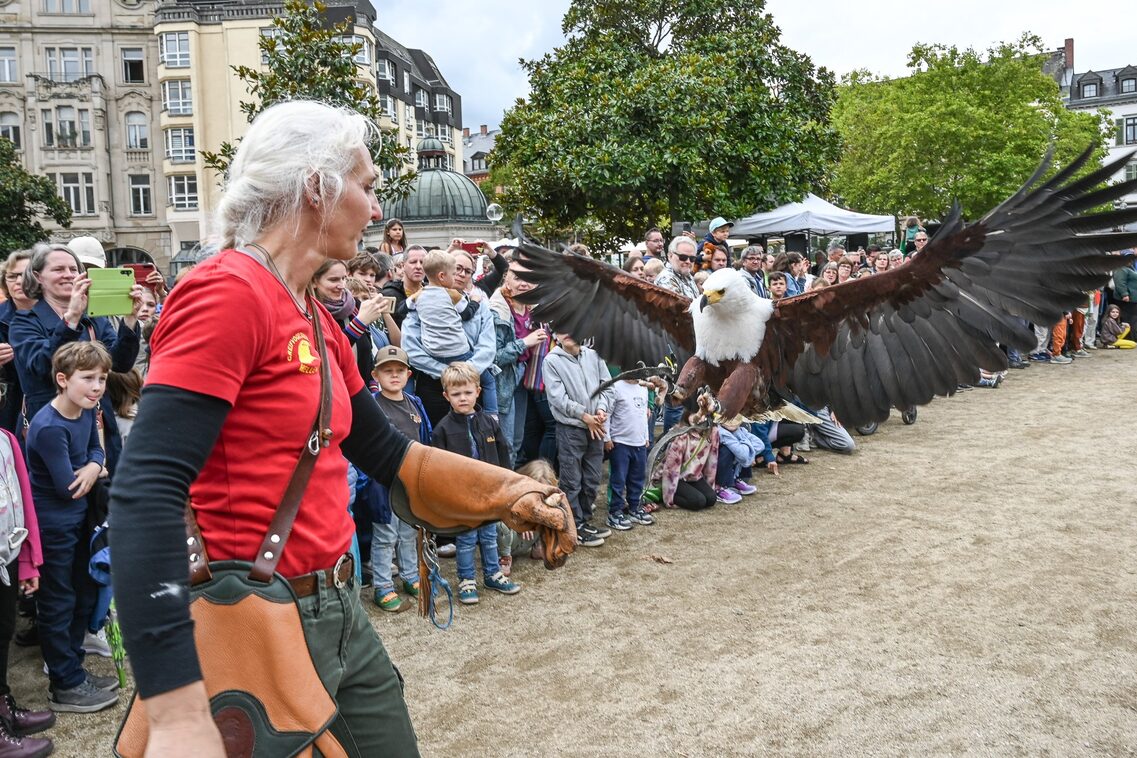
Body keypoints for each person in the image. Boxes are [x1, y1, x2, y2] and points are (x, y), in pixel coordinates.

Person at [107, 100, 573, 757]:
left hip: (335, 607)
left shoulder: (310, 311)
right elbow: (145, 490)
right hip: (252, 620)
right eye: (368, 185)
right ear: (316, 187)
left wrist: (507, 494)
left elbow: (384, 452)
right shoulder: (227, 292)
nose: (377, 210)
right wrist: (177, 713)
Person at [25, 342, 116, 713]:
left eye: (103, 379)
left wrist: (94, 467)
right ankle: (64, 683)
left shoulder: (85, 412)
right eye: (88, 378)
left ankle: (74, 668)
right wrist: (96, 468)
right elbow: (68, 488)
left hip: (79, 521)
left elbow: (97, 454)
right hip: (54, 526)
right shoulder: (49, 426)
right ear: (62, 380)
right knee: (58, 601)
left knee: (81, 593)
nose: (97, 387)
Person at [10, 244, 143, 477]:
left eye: (73, 269)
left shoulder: (93, 319)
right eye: (59, 269)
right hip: (52, 430)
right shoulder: (24, 322)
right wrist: (70, 319)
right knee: (63, 499)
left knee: (103, 503)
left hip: (98, 426)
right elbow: (42, 365)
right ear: (38, 276)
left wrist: (130, 320)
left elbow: (121, 363)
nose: (68, 275)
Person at [431, 362, 519, 604]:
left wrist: (507, 485)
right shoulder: (443, 429)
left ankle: (492, 573)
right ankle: (467, 580)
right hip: (462, 497)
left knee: (490, 535)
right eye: (456, 394)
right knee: (467, 539)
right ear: (446, 396)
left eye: (468, 392)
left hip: (490, 493)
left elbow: (503, 455)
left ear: (478, 391)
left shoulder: (490, 423)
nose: (463, 398)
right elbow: (439, 468)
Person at [0, 412, 54, 754]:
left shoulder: (6, 439)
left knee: (3, 631)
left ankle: (3, 704)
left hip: (5, 555)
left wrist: (26, 560)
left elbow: (23, 504)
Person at [367, 346, 426, 613]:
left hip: (411, 480)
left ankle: (411, 577)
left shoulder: (415, 403)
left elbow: (425, 438)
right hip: (384, 481)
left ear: (408, 374)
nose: (394, 376)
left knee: (409, 532)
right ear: (375, 374)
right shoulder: (372, 406)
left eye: (399, 371)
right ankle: (383, 585)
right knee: (384, 535)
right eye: (387, 371)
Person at [544, 332, 615, 545]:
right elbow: (558, 398)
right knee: (572, 479)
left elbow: (608, 387)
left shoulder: (594, 356)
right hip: (571, 429)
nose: (567, 333)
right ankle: (572, 526)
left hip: (596, 426)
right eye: (561, 329)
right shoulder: (551, 361)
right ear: (555, 334)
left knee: (592, 478)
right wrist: (585, 416)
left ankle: (584, 521)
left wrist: (601, 410)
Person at [604, 378, 654, 531]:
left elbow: (643, 416)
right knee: (618, 479)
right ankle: (615, 511)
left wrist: (645, 437)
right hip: (620, 442)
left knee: (637, 478)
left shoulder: (643, 388)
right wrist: (607, 438)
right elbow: (608, 414)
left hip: (639, 443)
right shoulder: (616, 387)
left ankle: (634, 507)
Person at [656, 401, 718, 511]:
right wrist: (668, 499)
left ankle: (692, 493)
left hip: (693, 476)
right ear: (687, 414)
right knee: (698, 502)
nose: (700, 418)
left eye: (705, 414)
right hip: (676, 477)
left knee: (711, 499)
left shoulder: (712, 432)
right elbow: (671, 470)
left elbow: (712, 463)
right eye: (695, 413)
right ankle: (665, 492)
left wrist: (709, 487)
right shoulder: (681, 435)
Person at [497, 460, 556, 575]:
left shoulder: (548, 497)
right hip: (508, 540)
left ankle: (539, 547)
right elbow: (501, 515)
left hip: (528, 540)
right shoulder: (511, 493)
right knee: (500, 524)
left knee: (550, 515)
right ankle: (504, 558)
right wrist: (519, 523)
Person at [0, 250, 34, 436]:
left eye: (25, 274)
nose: (19, 281)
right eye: (12, 276)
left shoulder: (59, 315)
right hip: (7, 411)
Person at [381, 245, 425, 326]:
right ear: (403, 265)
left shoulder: (431, 291)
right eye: (413, 262)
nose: (418, 266)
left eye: (422, 262)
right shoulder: (389, 294)